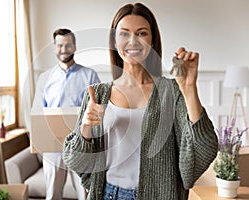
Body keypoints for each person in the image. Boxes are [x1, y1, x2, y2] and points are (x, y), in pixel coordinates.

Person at [62, 3, 218, 200]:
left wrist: (189, 89)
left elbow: (205, 148)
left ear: (152, 40)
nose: (132, 41)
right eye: (124, 34)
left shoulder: (172, 91)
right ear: (114, 41)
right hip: (108, 194)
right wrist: (86, 127)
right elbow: (76, 160)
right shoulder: (97, 94)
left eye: (142, 33)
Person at [34, 28, 100, 200]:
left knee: (85, 195)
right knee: (52, 196)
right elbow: (38, 113)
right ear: (54, 47)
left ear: (75, 47)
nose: (64, 49)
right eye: (60, 45)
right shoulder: (45, 77)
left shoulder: (89, 75)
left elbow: (99, 110)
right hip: (53, 148)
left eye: (68, 45)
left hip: (82, 146)